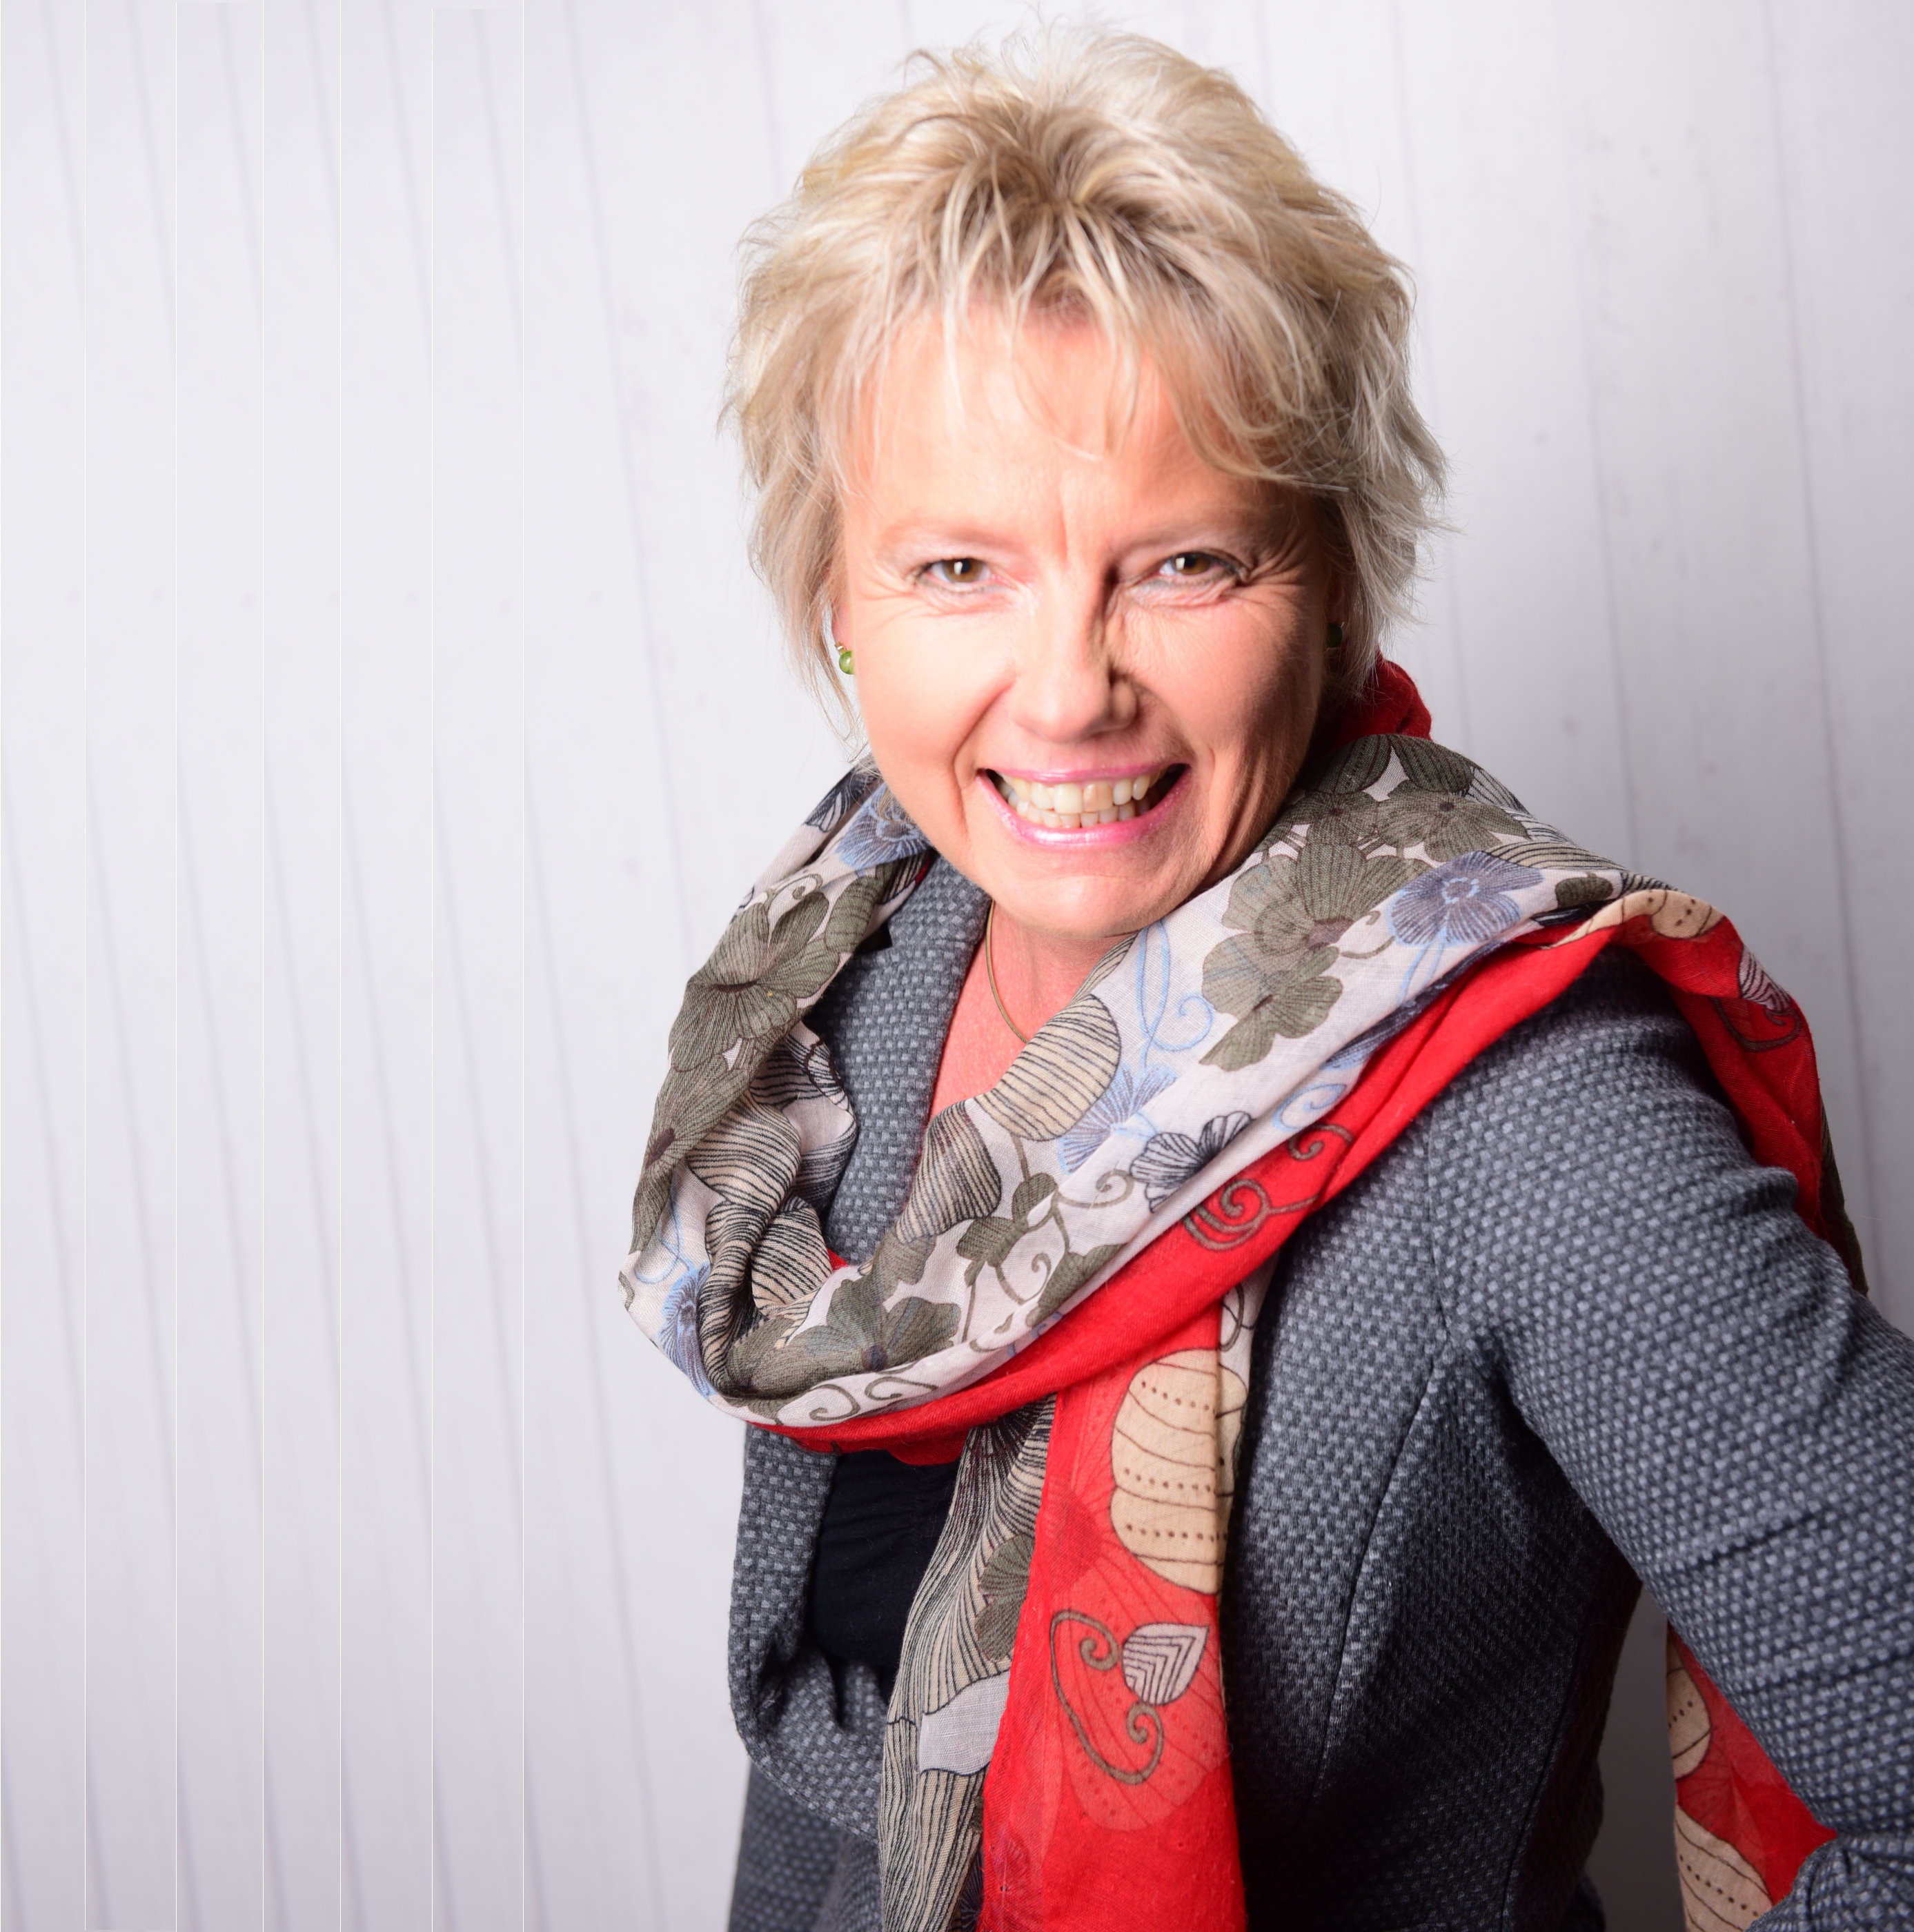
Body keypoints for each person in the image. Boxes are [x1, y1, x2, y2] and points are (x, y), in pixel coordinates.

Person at [622, 29, 1914, 1932]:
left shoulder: (1528, 1114)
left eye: (1182, 563)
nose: (1067, 691)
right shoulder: (847, 982)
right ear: (840, 602)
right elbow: (839, 1782)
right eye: (960, 567)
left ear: (1333, 587)